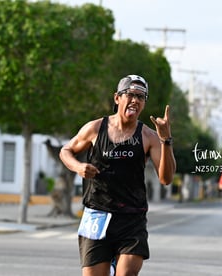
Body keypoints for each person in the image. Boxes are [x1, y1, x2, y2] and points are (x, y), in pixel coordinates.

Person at [59, 74, 176, 276]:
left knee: (127, 273)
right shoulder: (95, 128)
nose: (135, 100)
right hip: (97, 213)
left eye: (141, 97)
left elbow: (166, 178)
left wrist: (166, 140)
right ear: (117, 98)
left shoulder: (149, 137)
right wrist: (78, 167)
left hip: (132, 218)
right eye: (130, 94)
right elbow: (65, 151)